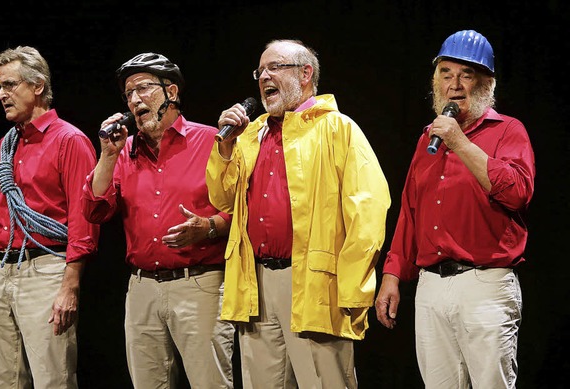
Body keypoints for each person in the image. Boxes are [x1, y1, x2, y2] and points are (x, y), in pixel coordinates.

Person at [206, 39, 391, 388]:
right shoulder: (250, 136)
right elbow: (223, 199)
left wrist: (352, 288)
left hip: (314, 282)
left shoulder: (337, 128)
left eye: (275, 67)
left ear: (305, 73)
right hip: (256, 284)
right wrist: (225, 147)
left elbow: (367, 211)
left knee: (325, 382)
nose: (264, 77)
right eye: (260, 71)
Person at [374, 30, 535, 388]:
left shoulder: (508, 131)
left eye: (466, 75)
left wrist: (460, 142)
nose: (454, 85)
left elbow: (518, 193)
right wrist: (392, 275)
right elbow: (410, 213)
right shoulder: (426, 140)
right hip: (432, 286)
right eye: (446, 74)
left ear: (486, 83)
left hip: (485, 284)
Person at [0, 46, 100, 388]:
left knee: (52, 378)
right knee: (0, 380)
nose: (2, 94)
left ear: (38, 86)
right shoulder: (6, 145)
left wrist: (70, 286)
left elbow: (84, 219)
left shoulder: (69, 140)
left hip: (46, 269)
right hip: (0, 270)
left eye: (10, 85)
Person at [80, 52, 235, 389]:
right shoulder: (123, 151)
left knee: (210, 383)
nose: (135, 99)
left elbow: (241, 209)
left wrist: (208, 227)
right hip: (142, 288)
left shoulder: (212, 140)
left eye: (144, 88)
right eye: (129, 94)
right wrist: (107, 155)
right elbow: (95, 211)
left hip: (200, 283)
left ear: (172, 93)